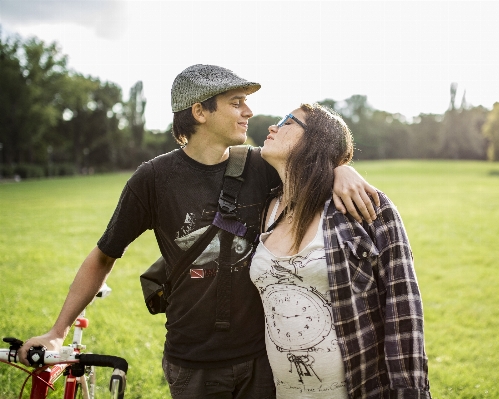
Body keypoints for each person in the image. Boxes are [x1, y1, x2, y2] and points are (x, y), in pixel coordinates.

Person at [17, 65, 380, 399]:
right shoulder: (153, 180)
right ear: (199, 111)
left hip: (263, 357)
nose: (248, 112)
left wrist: (340, 169)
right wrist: (58, 332)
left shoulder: (261, 165)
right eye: (236, 103)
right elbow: (103, 256)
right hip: (192, 362)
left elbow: (310, 163)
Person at [250, 103, 431, 398]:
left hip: (360, 389)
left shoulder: (364, 206)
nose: (272, 126)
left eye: (287, 121)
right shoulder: (264, 208)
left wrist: (410, 392)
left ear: (315, 140)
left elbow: (403, 309)